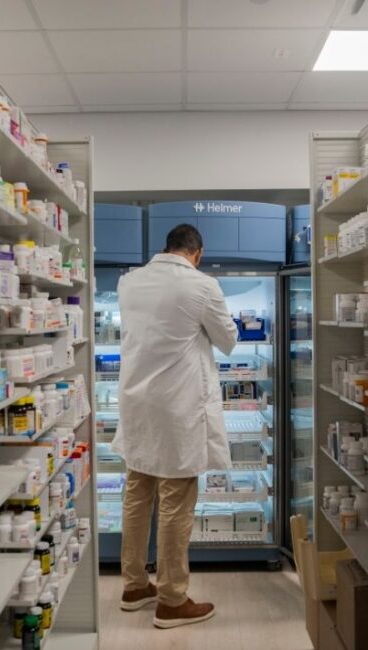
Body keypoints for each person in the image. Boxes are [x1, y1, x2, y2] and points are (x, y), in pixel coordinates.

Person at [111, 223, 238, 629]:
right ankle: (171, 599)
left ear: (166, 248)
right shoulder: (201, 285)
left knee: (137, 493)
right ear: (196, 253)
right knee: (175, 501)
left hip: (136, 403)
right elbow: (229, 339)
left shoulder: (128, 282)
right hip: (177, 407)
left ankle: (133, 586)